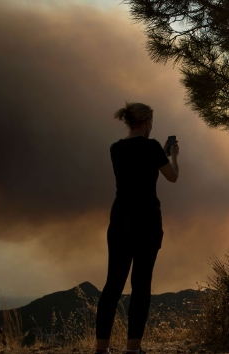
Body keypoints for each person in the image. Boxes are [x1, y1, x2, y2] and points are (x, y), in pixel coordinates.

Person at [94, 102, 179, 354]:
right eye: (151, 122)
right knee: (141, 284)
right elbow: (172, 176)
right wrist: (172, 155)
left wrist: (158, 156)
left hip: (120, 219)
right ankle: (133, 349)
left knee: (113, 284)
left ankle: (101, 348)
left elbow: (134, 171)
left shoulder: (115, 148)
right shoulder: (152, 148)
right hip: (147, 220)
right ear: (146, 121)